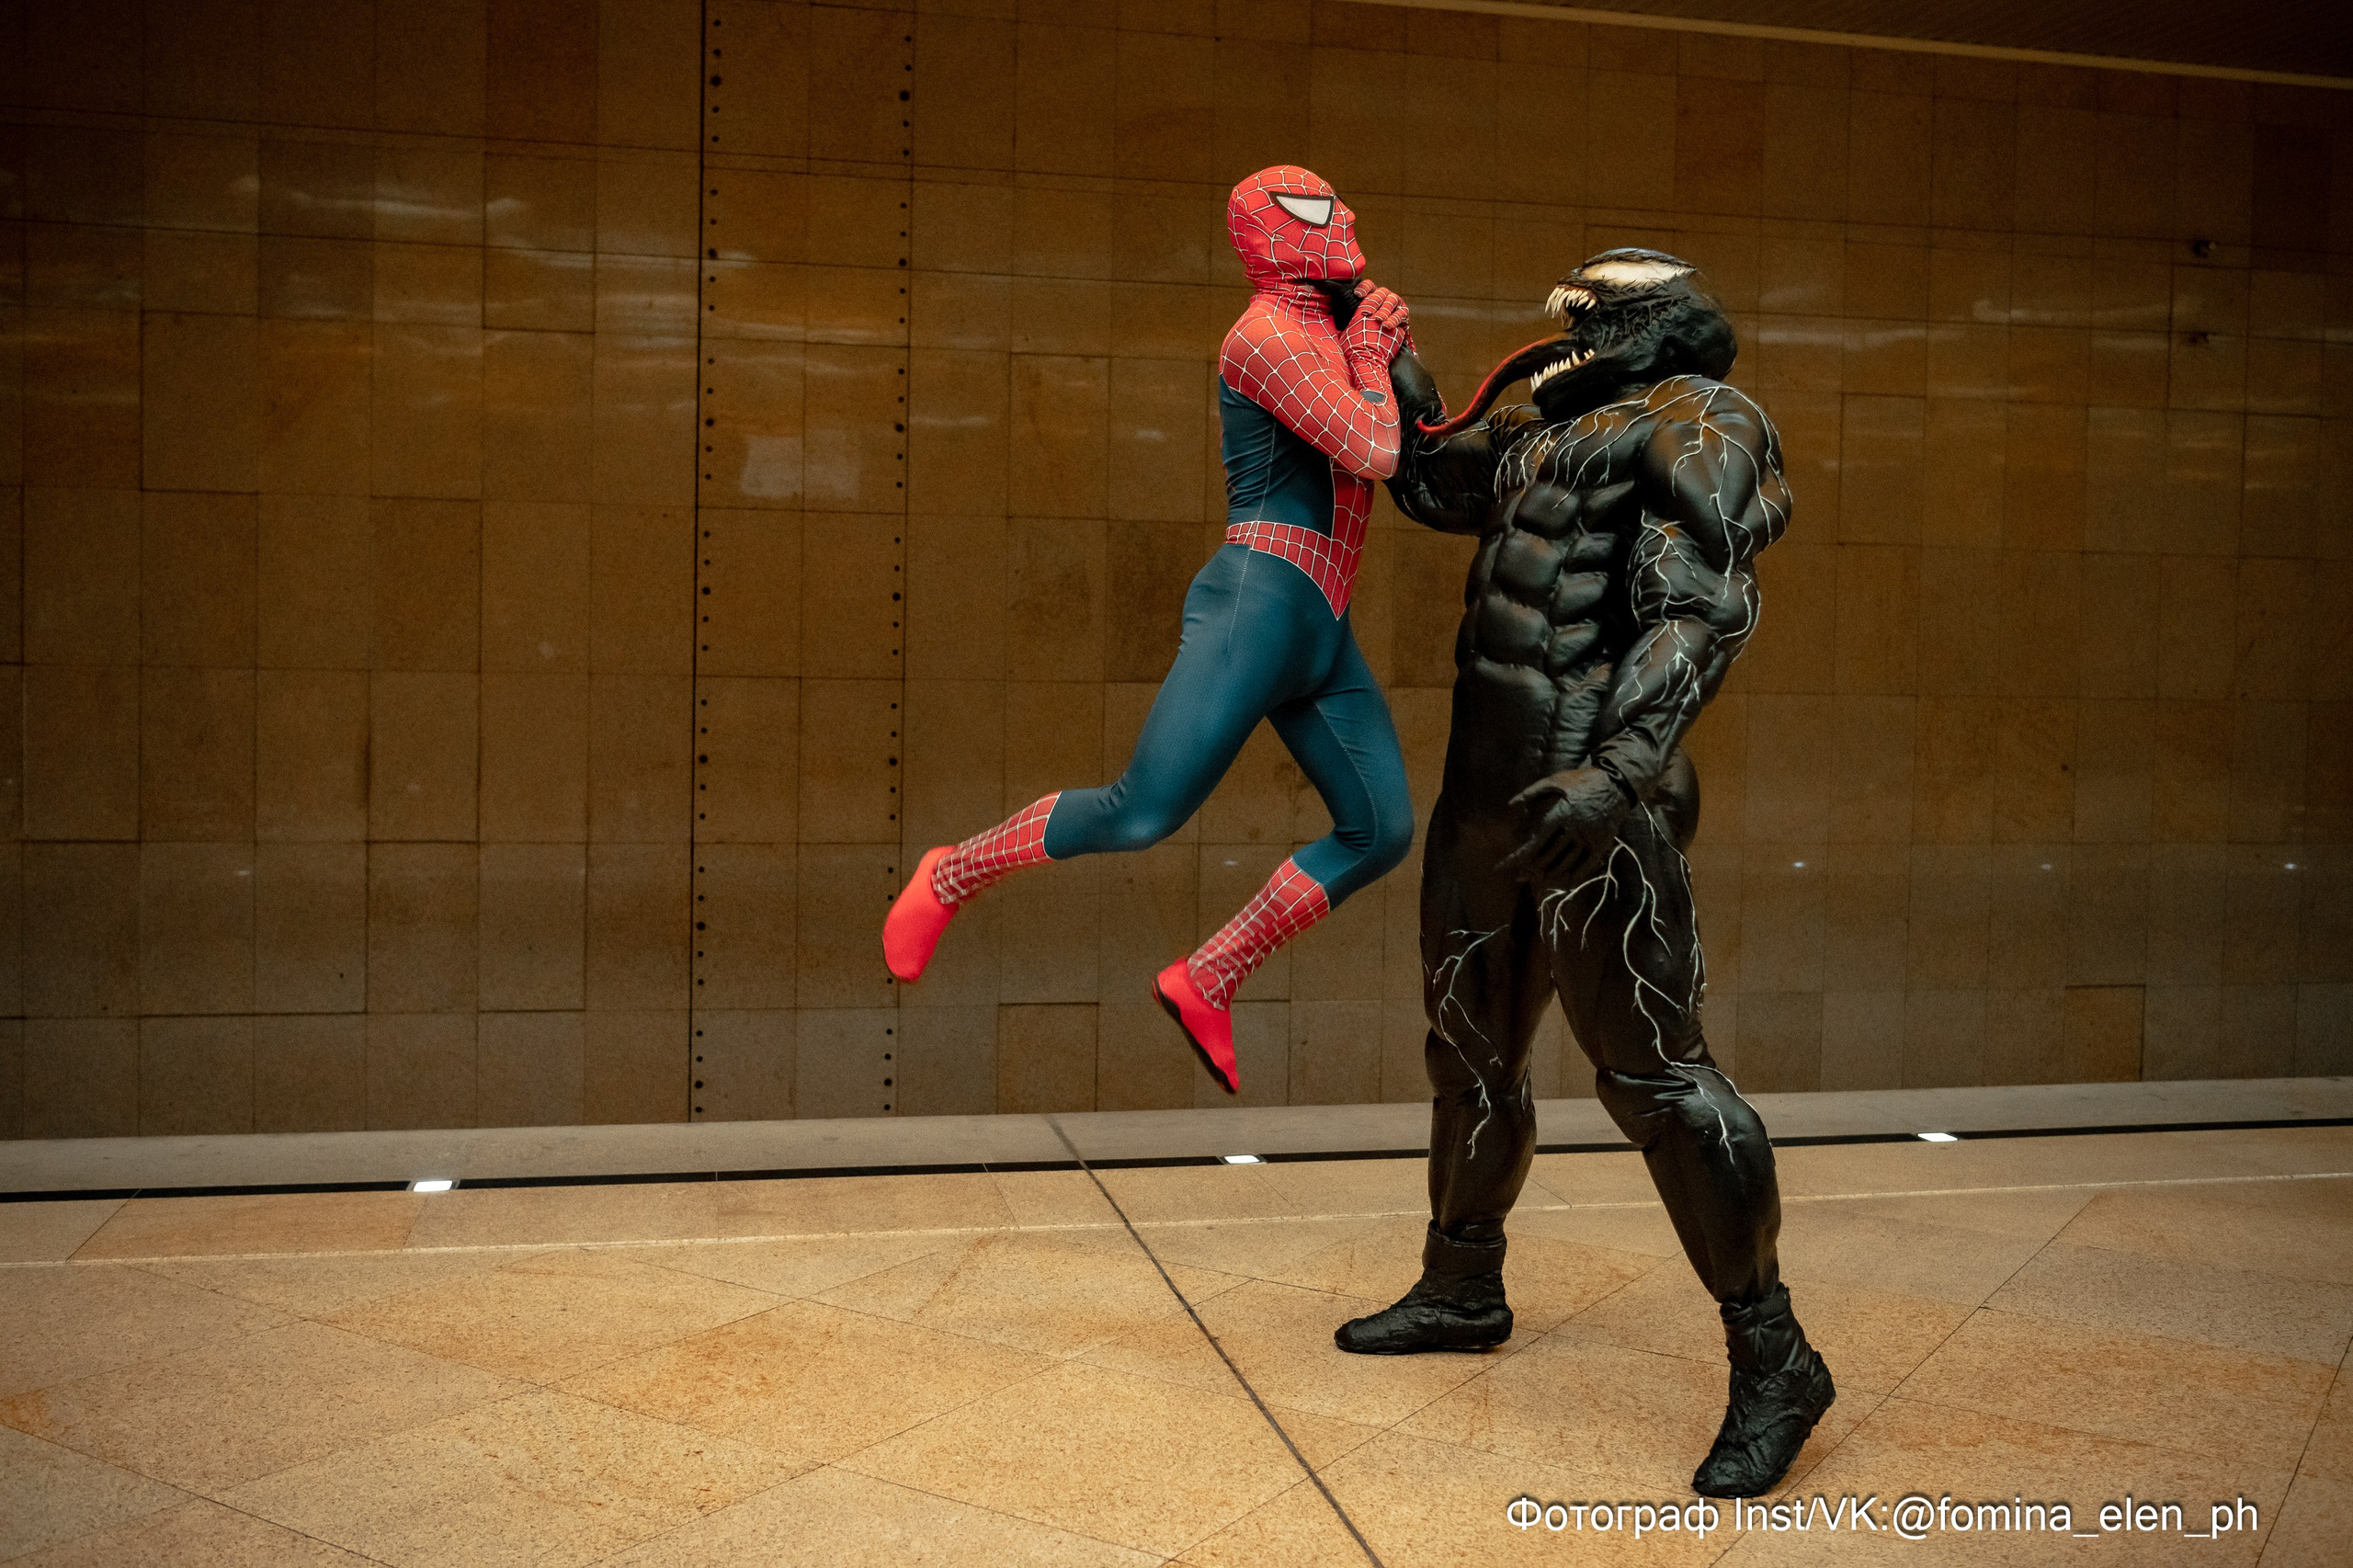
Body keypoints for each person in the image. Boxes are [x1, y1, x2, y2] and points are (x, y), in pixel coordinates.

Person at [1338, 250, 1835, 1499]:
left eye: (1598, 309)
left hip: (1597, 793)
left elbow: (1700, 604)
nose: (1570, 325)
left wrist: (1619, 768)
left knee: (1656, 1074)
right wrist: (1386, 355)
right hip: (1486, 786)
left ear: (1651, 321)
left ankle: (1775, 1358)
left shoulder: (1701, 417)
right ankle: (1461, 1283)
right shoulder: (1544, 435)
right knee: (1468, 1048)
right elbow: (1423, 474)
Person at [882, 166, 1415, 1096]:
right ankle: (953, 872)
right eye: (1317, 207)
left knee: (1380, 829)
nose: (1345, 217)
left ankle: (1209, 975)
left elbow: (1407, 441)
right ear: (1272, 230)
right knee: (1140, 811)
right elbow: (1372, 447)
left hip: (1318, 622)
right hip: (1260, 599)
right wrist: (1372, 355)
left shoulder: (1327, 330)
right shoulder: (1265, 337)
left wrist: (1379, 352)